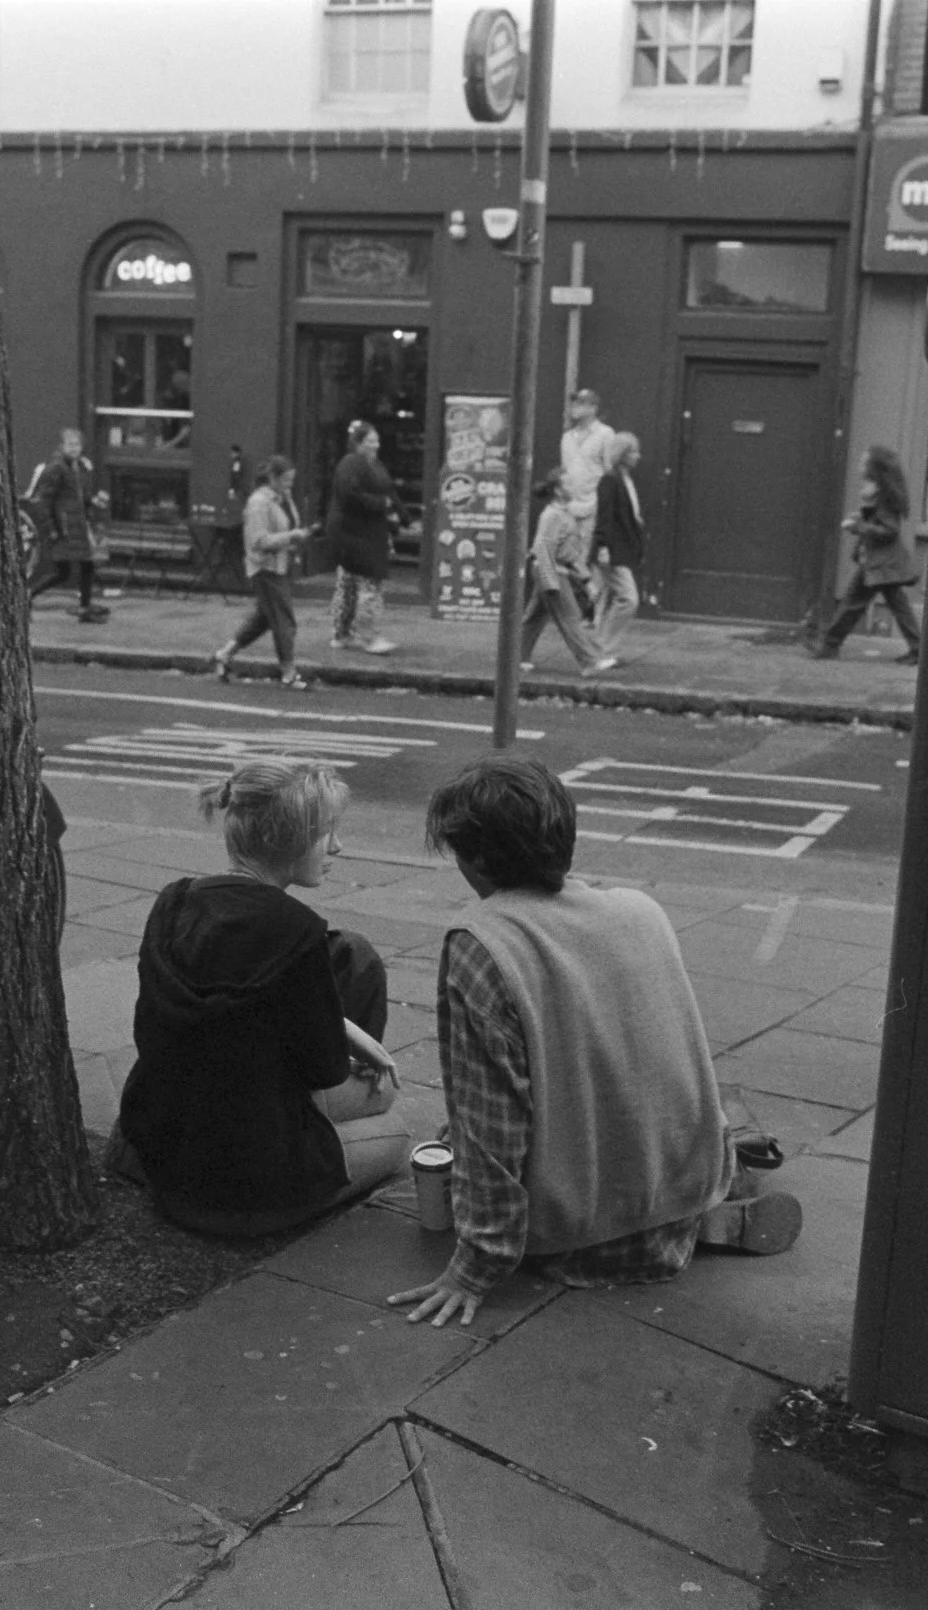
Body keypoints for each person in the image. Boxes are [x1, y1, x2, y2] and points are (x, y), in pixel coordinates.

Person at [388, 757, 803, 1327]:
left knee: (459, 1136)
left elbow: (492, 1124)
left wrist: (476, 1264)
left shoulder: (482, 943)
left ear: (478, 857)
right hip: (686, 1184)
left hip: (575, 1237)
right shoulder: (641, 910)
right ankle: (716, 1204)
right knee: (714, 1095)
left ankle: (699, 1205)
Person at [115, 760, 414, 1237]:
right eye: (326, 833)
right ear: (288, 840)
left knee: (350, 953)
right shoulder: (295, 931)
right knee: (393, 1119)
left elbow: (154, 1029)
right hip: (249, 1194)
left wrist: (342, 1026)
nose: (337, 846)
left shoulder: (173, 902)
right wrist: (344, 1035)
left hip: (163, 1149)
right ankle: (309, 1146)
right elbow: (325, 1070)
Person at [810, 445, 921, 664]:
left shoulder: (885, 497)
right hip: (880, 562)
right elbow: (877, 521)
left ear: (875, 468)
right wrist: (860, 517)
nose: (860, 465)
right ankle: (919, 649)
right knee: (897, 606)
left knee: (853, 602)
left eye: (864, 462)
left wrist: (859, 526)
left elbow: (890, 530)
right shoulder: (879, 492)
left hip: (880, 563)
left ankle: (829, 644)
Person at [211, 455, 311, 689]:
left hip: (279, 566)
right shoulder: (259, 503)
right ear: (273, 478)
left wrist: (294, 538)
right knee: (285, 621)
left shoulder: (281, 497)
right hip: (265, 568)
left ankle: (223, 655)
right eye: (286, 480)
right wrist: (291, 537)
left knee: (264, 619)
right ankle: (289, 673)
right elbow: (259, 540)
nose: (290, 485)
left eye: (292, 480)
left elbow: (285, 527)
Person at [519, 482, 616, 676]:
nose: (573, 487)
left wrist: (587, 580)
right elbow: (543, 548)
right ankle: (590, 662)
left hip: (554, 569)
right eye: (569, 483)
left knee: (535, 617)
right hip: (552, 570)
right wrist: (550, 581)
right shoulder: (552, 515)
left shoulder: (563, 514)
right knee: (569, 616)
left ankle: (516, 657)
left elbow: (571, 554)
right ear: (558, 490)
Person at [326, 420, 400, 656]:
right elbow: (350, 495)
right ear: (358, 443)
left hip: (354, 533)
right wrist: (382, 505)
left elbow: (388, 492)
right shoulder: (353, 464)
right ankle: (369, 637)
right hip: (356, 535)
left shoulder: (370, 464)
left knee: (347, 584)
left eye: (377, 440)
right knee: (369, 583)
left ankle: (342, 633)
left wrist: (400, 512)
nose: (376, 444)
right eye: (370, 440)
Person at [28, 427, 111, 624]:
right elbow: (43, 500)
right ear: (62, 446)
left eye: (77, 445)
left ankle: (84, 606)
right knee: (69, 570)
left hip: (76, 526)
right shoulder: (57, 468)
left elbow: (77, 497)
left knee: (79, 568)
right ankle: (29, 595)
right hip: (64, 527)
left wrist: (93, 501)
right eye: (70, 445)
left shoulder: (77, 467)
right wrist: (52, 529)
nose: (74, 449)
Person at [590, 431, 647, 658]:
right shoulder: (610, 480)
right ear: (621, 454)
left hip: (622, 549)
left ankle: (599, 649)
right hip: (612, 551)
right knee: (628, 599)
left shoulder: (625, 479)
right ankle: (600, 649)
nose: (638, 456)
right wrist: (603, 547)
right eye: (633, 451)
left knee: (609, 599)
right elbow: (605, 517)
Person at [558, 389, 618, 539]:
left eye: (580, 404)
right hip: (569, 507)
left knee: (583, 555)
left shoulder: (606, 434)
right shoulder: (567, 437)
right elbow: (564, 471)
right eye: (573, 403)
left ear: (593, 408)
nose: (574, 407)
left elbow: (609, 472)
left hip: (593, 507)